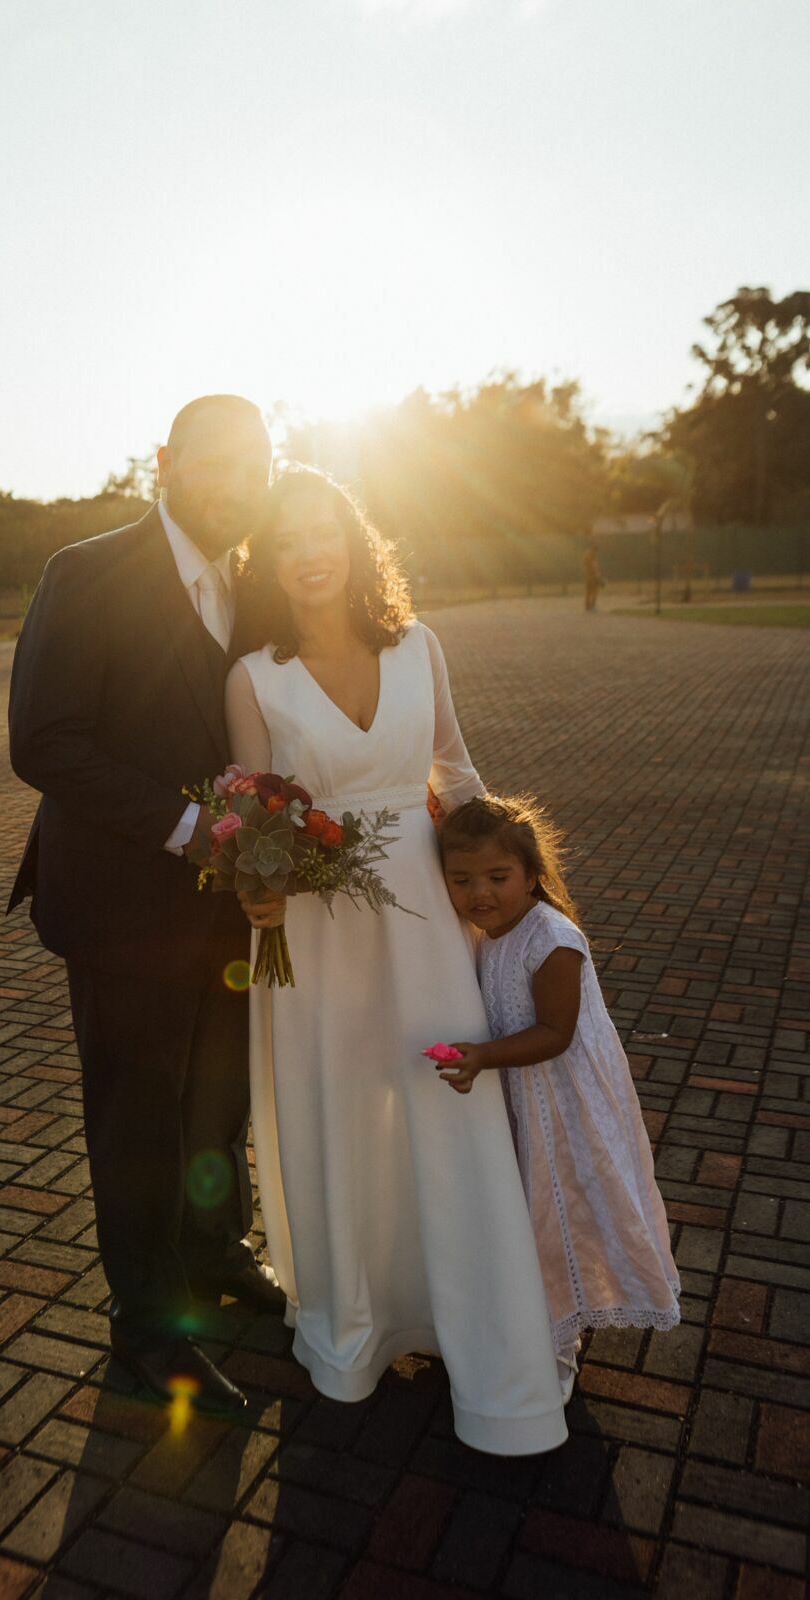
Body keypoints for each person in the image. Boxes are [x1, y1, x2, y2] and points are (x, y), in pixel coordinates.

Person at [226, 465, 569, 1455]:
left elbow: (456, 772)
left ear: (353, 539)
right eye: (285, 538)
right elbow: (248, 806)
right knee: (336, 1110)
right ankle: (352, 1329)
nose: (307, 552)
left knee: (438, 1097)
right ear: (268, 557)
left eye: (322, 530)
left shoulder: (419, 647)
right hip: (312, 925)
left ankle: (475, 1329)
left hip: (420, 909)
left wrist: (515, 897)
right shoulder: (252, 675)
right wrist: (258, 877)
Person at [7, 395, 286, 1417]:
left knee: (220, 1094)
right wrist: (190, 831)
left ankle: (219, 1254)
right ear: (164, 460)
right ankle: (147, 1330)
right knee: (138, 1118)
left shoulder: (250, 583)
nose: (235, 480)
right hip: (125, 903)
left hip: (231, 907)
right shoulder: (86, 571)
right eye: (215, 460)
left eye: (254, 462)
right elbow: (43, 739)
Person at [435, 794, 681, 1398]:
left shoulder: (551, 938)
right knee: (528, 1214)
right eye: (461, 880)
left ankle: (560, 1347)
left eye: (498, 877)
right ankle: (533, 1327)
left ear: (532, 875)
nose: (480, 893)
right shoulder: (484, 934)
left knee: (561, 1214)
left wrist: (483, 1056)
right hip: (524, 1100)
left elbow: (555, 1032)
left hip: (566, 1105)